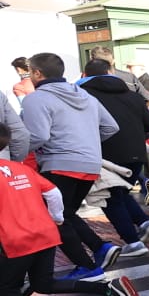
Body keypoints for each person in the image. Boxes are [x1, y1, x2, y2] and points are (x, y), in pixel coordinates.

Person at [0, 125, 141, 296]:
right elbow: (53, 193)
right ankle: (107, 289)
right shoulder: (20, 168)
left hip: (17, 239)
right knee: (44, 283)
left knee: (7, 288)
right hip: (45, 234)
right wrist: (56, 219)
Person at [19, 52, 122, 279]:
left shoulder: (36, 98)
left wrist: (16, 155)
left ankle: (87, 266)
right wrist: (86, 144)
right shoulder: (86, 96)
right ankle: (100, 247)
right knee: (65, 214)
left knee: (52, 218)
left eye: (30, 72)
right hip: (90, 164)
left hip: (59, 163)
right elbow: (111, 127)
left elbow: (37, 136)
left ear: (37, 73)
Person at [78, 58, 149, 258]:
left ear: (84, 75)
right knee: (121, 193)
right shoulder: (132, 95)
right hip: (136, 154)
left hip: (106, 155)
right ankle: (143, 222)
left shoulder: (84, 95)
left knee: (110, 198)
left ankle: (133, 242)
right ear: (110, 72)